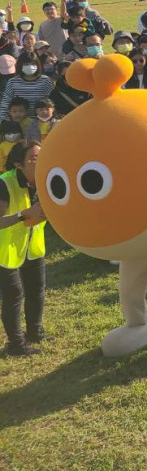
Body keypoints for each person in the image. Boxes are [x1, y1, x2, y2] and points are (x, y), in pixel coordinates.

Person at [0, 142, 45, 356]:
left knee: (36, 289)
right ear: (19, 164)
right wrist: (23, 215)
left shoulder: (43, 181)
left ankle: (35, 333)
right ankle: (16, 345)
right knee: (14, 294)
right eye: (33, 159)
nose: (40, 161)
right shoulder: (5, 184)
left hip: (32, 246)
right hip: (4, 250)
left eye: (41, 155)